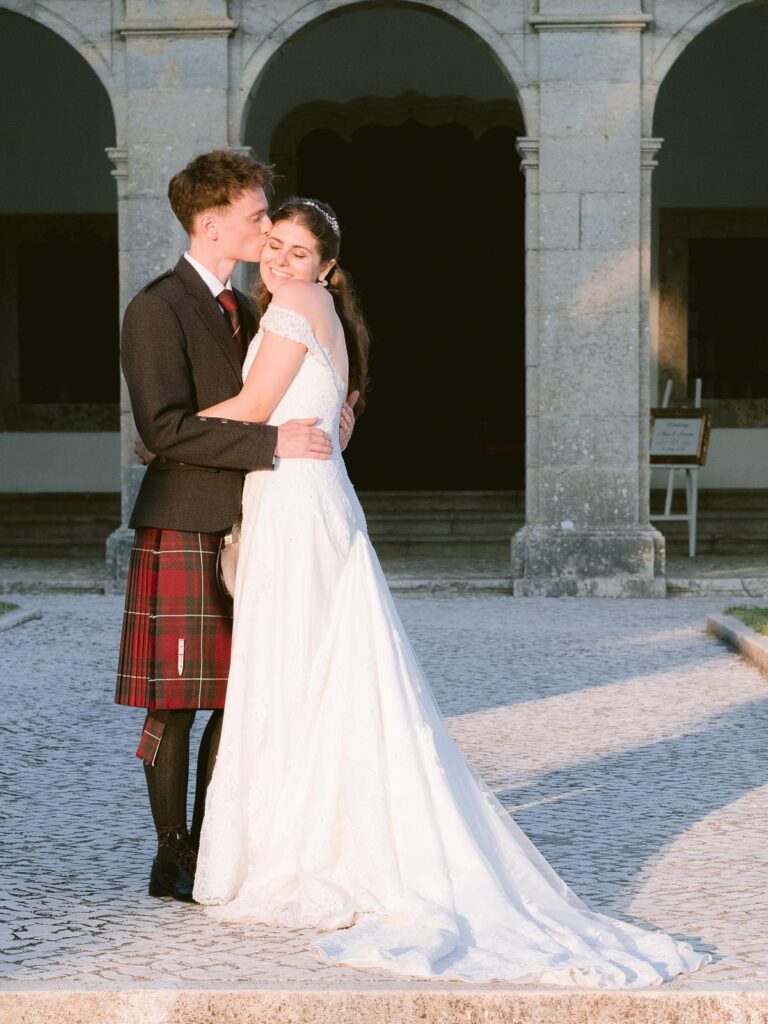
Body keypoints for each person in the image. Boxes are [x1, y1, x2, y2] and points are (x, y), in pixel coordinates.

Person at [191, 196, 709, 985]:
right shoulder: (326, 312)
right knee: (321, 677)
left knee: (293, 673)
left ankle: (294, 850)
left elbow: (256, 409)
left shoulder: (294, 303)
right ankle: (317, 838)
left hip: (297, 506)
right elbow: (336, 421)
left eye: (300, 252)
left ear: (324, 265)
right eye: (276, 246)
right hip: (314, 498)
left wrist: (168, 430)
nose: (282, 262)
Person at [114, 152, 357, 904]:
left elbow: (288, 388)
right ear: (210, 221)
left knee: (239, 693)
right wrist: (272, 442)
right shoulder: (155, 308)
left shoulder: (258, 307)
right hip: (183, 522)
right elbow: (162, 428)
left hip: (252, 522)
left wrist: (336, 412)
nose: (267, 226)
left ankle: (218, 839)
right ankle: (173, 853)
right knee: (176, 698)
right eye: (256, 216)